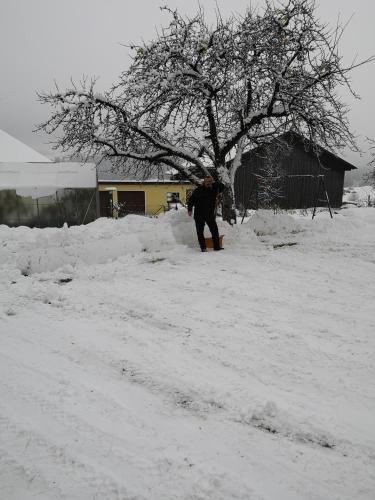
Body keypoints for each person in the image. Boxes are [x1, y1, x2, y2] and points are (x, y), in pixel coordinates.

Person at [187, 176, 224, 252]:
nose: (209, 183)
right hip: (199, 214)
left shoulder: (214, 189)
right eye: (207, 182)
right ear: (204, 182)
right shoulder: (198, 190)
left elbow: (223, 187)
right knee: (200, 232)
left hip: (209, 214)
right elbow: (191, 200)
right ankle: (203, 248)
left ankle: (216, 247)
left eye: (210, 181)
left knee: (214, 230)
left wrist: (217, 183)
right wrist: (190, 209)